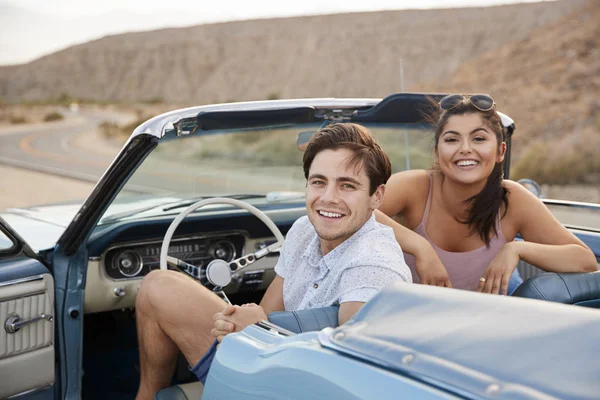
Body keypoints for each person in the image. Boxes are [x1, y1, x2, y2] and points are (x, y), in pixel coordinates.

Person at [135, 122, 412, 399]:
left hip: (295, 390)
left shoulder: (374, 267)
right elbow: (267, 310)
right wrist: (238, 325)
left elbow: (349, 382)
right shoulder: (305, 229)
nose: (328, 198)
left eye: (347, 186)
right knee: (157, 286)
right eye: (318, 182)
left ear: (377, 196)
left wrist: (262, 333)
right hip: (268, 364)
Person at [375, 94, 597, 294]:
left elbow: (585, 260)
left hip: (484, 327)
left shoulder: (512, 198)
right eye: (452, 139)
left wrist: (516, 248)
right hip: (408, 324)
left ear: (501, 151)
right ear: (437, 152)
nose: (465, 149)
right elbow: (357, 212)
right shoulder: (414, 185)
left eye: (478, 139)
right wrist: (419, 246)